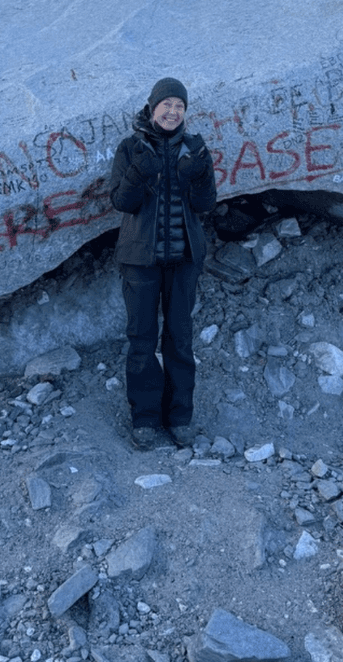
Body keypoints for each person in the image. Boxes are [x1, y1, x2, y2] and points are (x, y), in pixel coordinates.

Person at [109, 77, 217, 450]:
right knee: (142, 340)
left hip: (184, 259)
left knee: (180, 338)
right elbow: (121, 202)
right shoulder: (130, 148)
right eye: (166, 104)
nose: (173, 112)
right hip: (140, 260)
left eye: (180, 106)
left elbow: (205, 205)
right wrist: (141, 169)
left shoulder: (195, 150)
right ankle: (145, 420)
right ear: (152, 107)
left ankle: (180, 417)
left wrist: (199, 174)